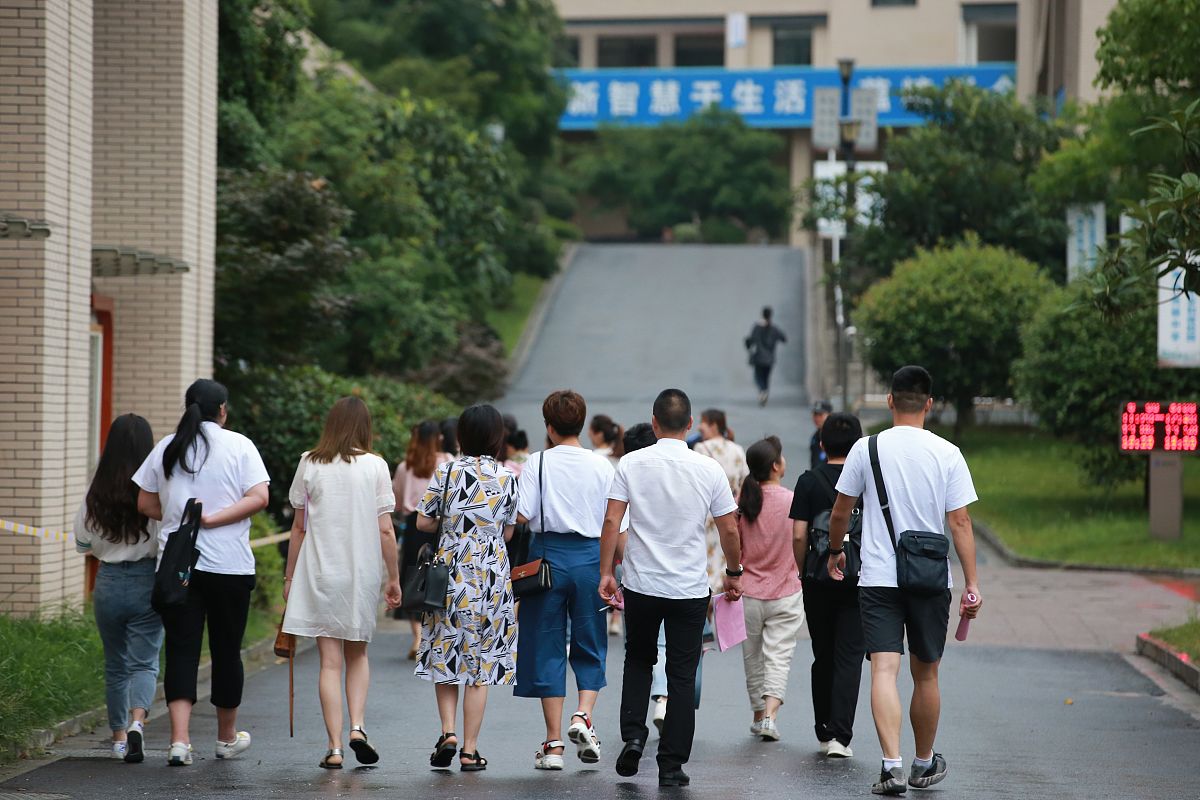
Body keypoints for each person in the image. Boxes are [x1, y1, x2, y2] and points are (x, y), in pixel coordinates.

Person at [827, 366, 982, 795]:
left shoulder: (866, 448)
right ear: (929, 403)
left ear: (890, 400)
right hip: (930, 578)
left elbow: (841, 511)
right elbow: (960, 522)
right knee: (926, 674)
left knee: (884, 668)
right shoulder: (948, 453)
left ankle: (891, 766)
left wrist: (836, 549)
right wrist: (971, 583)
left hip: (879, 576)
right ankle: (923, 763)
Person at [599, 388, 743, 788]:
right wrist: (734, 571)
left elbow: (612, 521)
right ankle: (672, 764)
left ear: (654, 422)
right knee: (682, 673)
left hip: (641, 584)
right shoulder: (708, 468)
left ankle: (633, 736)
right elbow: (729, 527)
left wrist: (607, 572)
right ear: (690, 424)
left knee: (638, 659)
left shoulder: (631, 463)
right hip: (688, 587)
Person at [133, 379, 270, 767]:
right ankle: (226, 738)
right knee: (227, 651)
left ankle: (179, 742)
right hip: (229, 565)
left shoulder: (168, 446)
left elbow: (144, 502)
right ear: (222, 409)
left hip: (179, 566)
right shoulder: (240, 445)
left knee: (181, 650)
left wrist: (180, 517)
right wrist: (212, 519)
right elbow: (259, 497)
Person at [282, 397, 403, 769]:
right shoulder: (375, 466)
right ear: (365, 427)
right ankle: (357, 727)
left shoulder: (310, 462)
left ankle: (334, 748)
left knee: (329, 663)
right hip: (360, 574)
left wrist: (289, 578)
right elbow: (385, 529)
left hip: (320, 572)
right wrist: (394, 577)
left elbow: (299, 527)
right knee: (358, 655)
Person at [415, 404, 518, 773]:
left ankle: (448, 732)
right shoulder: (507, 477)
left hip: (451, 572)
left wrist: (451, 524)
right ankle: (471, 751)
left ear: (460, 435)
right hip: (491, 576)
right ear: (497, 437)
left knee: (447, 652)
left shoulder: (446, 471)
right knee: (480, 663)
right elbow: (509, 531)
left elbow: (423, 522)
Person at [515, 390, 612, 771]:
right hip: (590, 558)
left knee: (547, 644)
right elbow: (612, 520)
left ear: (549, 427)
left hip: (547, 560)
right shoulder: (602, 466)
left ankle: (553, 744)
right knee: (591, 639)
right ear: (582, 425)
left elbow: (522, 515)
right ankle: (583, 716)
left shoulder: (536, 462)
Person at [74, 413, 161, 763]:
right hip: (147, 579)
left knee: (115, 664)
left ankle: (118, 738)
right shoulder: (155, 490)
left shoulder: (95, 491)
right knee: (144, 662)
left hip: (108, 581)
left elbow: (82, 544)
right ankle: (138, 722)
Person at [791, 412, 866, 759]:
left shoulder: (809, 481)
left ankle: (823, 730)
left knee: (823, 653)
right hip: (859, 577)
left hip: (818, 579)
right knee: (849, 655)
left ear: (821, 444)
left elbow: (798, 534)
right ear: (859, 444)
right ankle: (840, 735)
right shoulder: (866, 481)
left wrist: (804, 570)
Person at [736, 436, 804, 743]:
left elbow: (734, 544)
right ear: (776, 466)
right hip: (786, 591)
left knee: (752, 657)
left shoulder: (744, 502)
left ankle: (757, 715)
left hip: (748, 593)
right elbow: (801, 539)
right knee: (779, 656)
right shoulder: (792, 500)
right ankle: (769, 717)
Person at [392, 421, 453, 658]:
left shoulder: (405, 466)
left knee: (414, 577)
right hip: (438, 526)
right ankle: (435, 635)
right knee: (438, 576)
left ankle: (417, 638)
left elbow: (397, 501)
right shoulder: (448, 461)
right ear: (438, 438)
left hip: (413, 527)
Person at [695, 409, 749, 593]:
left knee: (708, 557)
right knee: (728, 551)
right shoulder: (737, 449)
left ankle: (708, 595)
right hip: (732, 511)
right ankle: (725, 589)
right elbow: (745, 481)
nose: (699, 427)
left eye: (703, 423)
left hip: (708, 512)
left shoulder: (701, 448)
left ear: (714, 425)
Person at [744, 306, 787, 406]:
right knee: (766, 377)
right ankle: (764, 392)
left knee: (758, 377)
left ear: (762, 314)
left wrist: (748, 344)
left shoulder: (756, 328)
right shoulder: (774, 328)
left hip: (759, 358)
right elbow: (784, 338)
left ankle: (762, 391)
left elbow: (751, 341)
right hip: (769, 359)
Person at [809, 400, 833, 471]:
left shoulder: (834, 436)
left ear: (829, 415)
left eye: (820, 415)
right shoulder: (815, 436)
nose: (817, 418)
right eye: (815, 414)